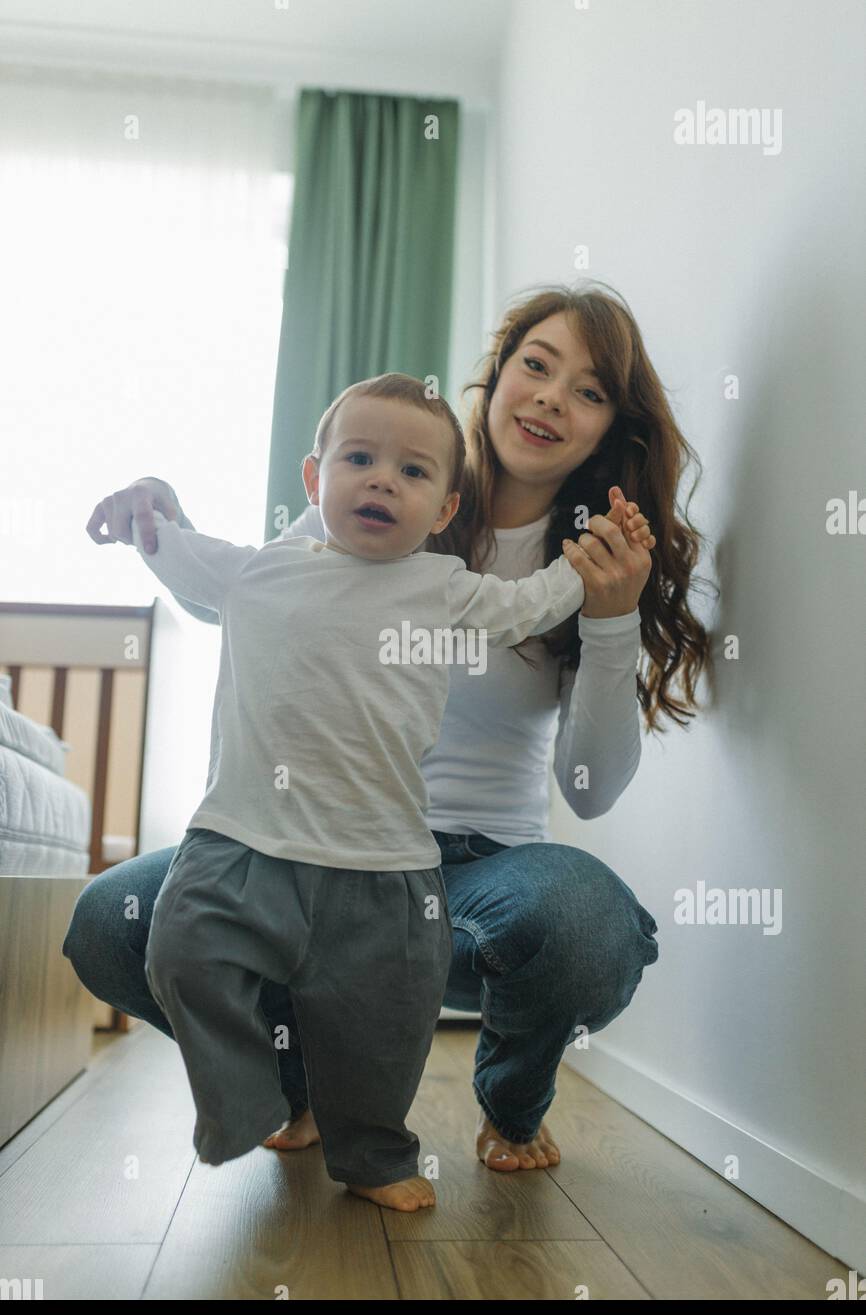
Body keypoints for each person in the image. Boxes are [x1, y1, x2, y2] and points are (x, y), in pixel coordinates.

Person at [71, 279, 708, 1179]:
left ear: (609, 428)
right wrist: (159, 518)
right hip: (306, 854)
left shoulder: (587, 565)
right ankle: (299, 1084)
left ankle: (512, 1106)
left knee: (580, 922)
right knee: (112, 918)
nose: (553, 398)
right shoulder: (377, 492)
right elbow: (247, 591)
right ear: (495, 379)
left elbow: (590, 793)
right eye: (537, 365)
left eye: (591, 390)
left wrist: (609, 622)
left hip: (474, 885)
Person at [114, 372, 624, 1212]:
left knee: (377, 1028)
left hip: (384, 865)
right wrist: (145, 508)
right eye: (360, 459)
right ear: (315, 482)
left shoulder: (444, 590)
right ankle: (255, 1100)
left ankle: (377, 1156)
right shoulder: (258, 571)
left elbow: (533, 603)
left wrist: (595, 560)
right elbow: (175, 546)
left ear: (444, 510)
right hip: (239, 842)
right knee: (180, 955)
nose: (385, 479)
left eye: (415, 473)